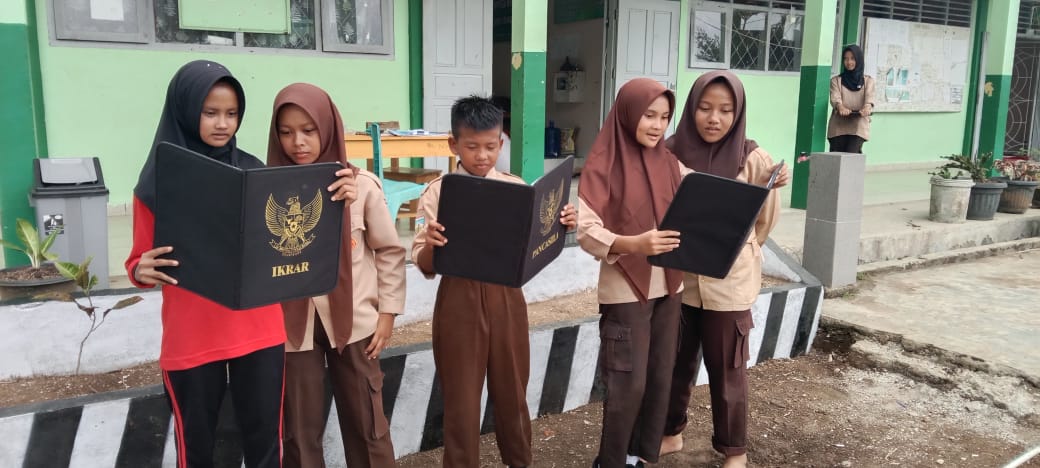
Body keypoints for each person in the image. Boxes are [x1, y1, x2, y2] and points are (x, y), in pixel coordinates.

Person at [126, 60, 355, 468]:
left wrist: (342, 193)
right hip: (192, 337)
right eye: (210, 112)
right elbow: (138, 261)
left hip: (260, 332)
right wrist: (139, 270)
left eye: (231, 113)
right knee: (195, 450)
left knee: (266, 447)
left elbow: (299, 234)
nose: (222, 124)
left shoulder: (256, 173)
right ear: (184, 110)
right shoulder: (158, 182)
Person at [411, 95, 577, 468]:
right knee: (462, 404)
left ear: (501, 143)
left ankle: (520, 461)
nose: (483, 155)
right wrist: (432, 245)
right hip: (458, 304)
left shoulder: (517, 188)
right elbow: (423, 262)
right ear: (453, 144)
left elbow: (535, 244)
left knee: (512, 394)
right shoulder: (439, 192)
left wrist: (562, 224)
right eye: (472, 146)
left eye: (490, 146)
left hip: (507, 302)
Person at [266, 83, 404, 468]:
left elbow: (389, 252)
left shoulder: (361, 188)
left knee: (368, 423)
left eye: (309, 130)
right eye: (286, 132)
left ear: (328, 129)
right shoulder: (265, 193)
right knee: (298, 430)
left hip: (356, 322)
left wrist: (388, 313)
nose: (298, 142)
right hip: (292, 328)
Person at [660, 70, 789, 468]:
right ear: (691, 109)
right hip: (679, 278)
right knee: (675, 363)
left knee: (728, 370)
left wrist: (738, 251)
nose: (714, 118)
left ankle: (735, 451)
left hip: (729, 284)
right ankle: (670, 433)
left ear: (738, 113)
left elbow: (764, 221)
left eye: (725, 110)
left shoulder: (755, 160)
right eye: (704, 108)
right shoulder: (668, 155)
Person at [577, 78, 692, 468]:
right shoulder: (603, 163)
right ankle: (610, 462)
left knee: (659, 378)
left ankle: (638, 457)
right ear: (628, 114)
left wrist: (761, 181)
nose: (657, 125)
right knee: (629, 382)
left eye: (664, 117)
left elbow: (702, 192)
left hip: (670, 285)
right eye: (648, 115)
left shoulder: (670, 162)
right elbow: (586, 230)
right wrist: (633, 244)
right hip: (625, 287)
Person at [827, 44, 875, 153]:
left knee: (852, 155)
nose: (849, 62)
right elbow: (835, 98)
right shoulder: (836, 81)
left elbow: (869, 98)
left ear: (859, 60)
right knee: (836, 158)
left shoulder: (868, 81)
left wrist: (867, 107)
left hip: (859, 126)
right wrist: (840, 107)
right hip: (838, 127)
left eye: (853, 58)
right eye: (846, 59)